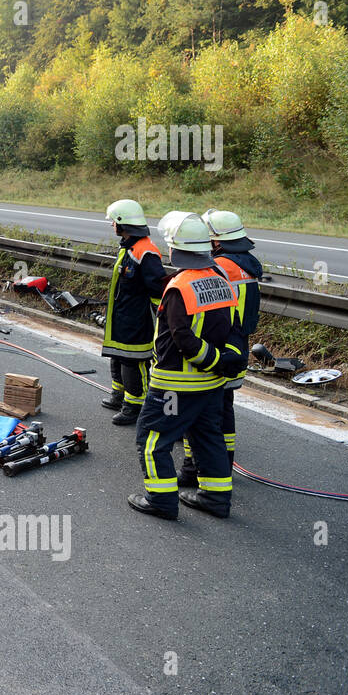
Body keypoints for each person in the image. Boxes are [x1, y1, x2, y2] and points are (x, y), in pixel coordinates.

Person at [128, 212, 245, 520]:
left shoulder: (180, 286)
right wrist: (221, 363)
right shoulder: (221, 279)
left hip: (175, 387)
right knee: (208, 438)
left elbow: (182, 337)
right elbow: (233, 327)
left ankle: (162, 502)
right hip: (211, 386)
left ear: (175, 249)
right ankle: (216, 499)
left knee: (152, 440)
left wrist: (212, 360)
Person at [179, 209, 263, 496]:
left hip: (214, 351)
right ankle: (223, 465)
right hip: (237, 349)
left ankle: (193, 469)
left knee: (199, 413)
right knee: (224, 410)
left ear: (215, 242)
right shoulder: (246, 265)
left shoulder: (219, 267)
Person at [100, 200, 168, 425]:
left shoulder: (145, 251)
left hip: (137, 320)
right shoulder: (129, 247)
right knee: (118, 356)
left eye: (113, 221)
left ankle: (135, 406)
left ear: (122, 224)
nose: (111, 225)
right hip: (122, 317)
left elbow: (158, 288)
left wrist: (161, 320)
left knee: (132, 362)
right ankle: (119, 395)